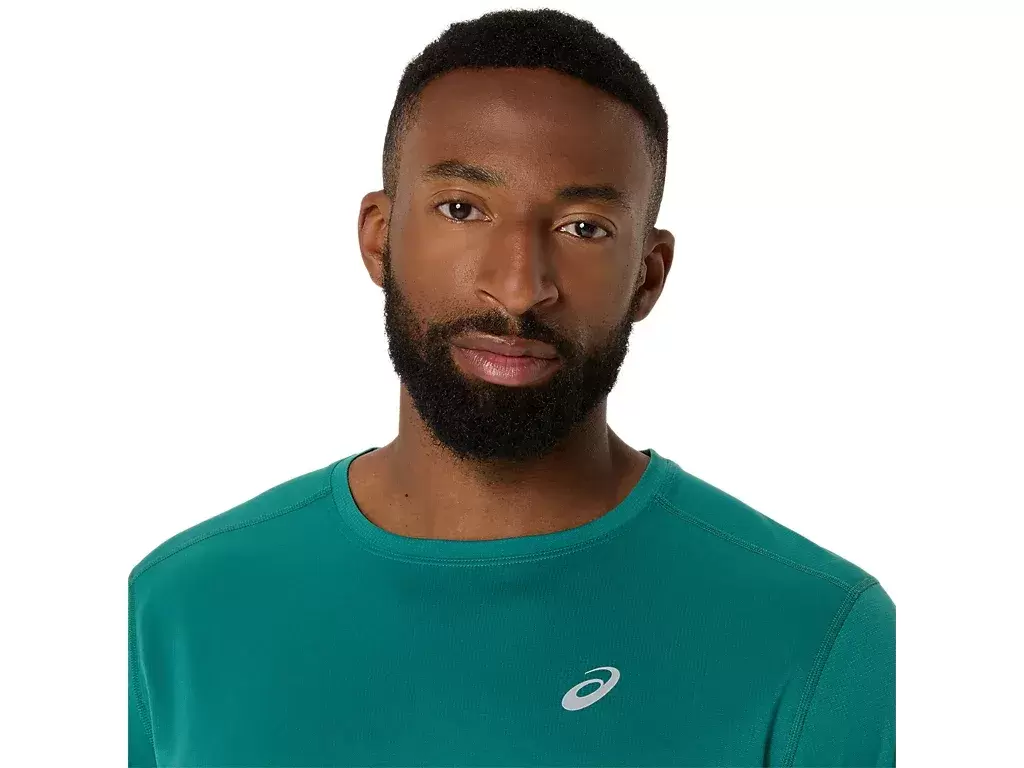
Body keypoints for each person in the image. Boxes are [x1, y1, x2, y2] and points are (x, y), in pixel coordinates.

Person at [128, 9, 895, 767]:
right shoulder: (177, 607)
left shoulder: (820, 634)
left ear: (648, 276)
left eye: (584, 227)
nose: (520, 288)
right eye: (462, 209)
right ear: (379, 238)